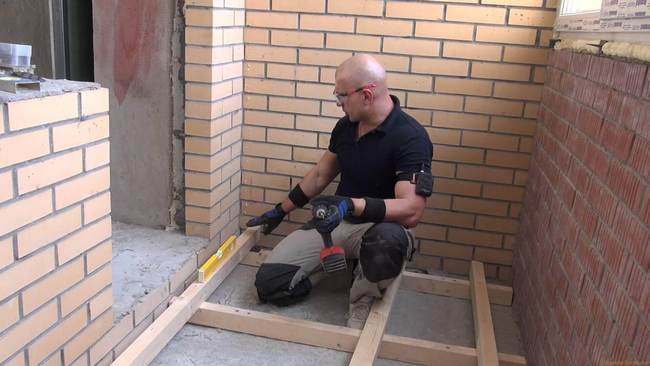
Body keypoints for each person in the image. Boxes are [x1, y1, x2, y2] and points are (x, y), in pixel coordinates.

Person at [246, 54, 433, 329]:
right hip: (338, 222)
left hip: (381, 227)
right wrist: (279, 211)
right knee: (270, 286)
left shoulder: (410, 137)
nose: (338, 103)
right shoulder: (346, 127)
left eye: (342, 95)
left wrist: (351, 204)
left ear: (366, 95)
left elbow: (412, 211)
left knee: (386, 244)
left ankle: (363, 298)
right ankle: (344, 269)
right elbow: (321, 175)